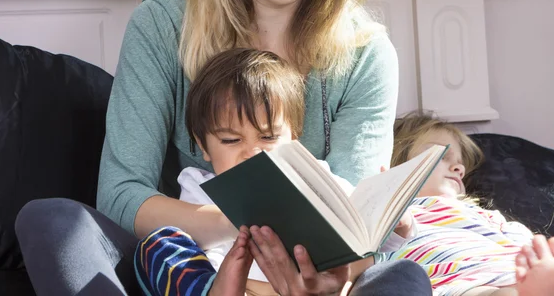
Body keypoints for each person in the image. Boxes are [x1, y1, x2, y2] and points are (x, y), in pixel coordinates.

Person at [14, 0, 434, 295]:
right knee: (51, 221)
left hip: (314, 274)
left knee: (403, 277)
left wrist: (333, 274)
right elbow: (122, 194)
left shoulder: (367, 55)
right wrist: (247, 225)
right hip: (184, 266)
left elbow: (355, 225)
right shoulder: (162, 25)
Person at [135, 48, 418, 296]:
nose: (252, 152)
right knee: (159, 245)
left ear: (293, 138)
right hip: (243, 288)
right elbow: (199, 251)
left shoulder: (315, 177)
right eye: (231, 140)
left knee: (404, 272)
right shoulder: (200, 186)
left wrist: (397, 224)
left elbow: (363, 237)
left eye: (268, 138)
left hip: (321, 286)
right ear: (203, 146)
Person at [382, 112, 554, 296]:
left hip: (515, 273)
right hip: (461, 283)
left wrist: (542, 259)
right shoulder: (399, 211)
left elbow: (520, 243)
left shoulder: (483, 213)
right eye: (442, 156)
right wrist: (399, 219)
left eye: (461, 164)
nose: (459, 168)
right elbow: (376, 255)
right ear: (399, 163)